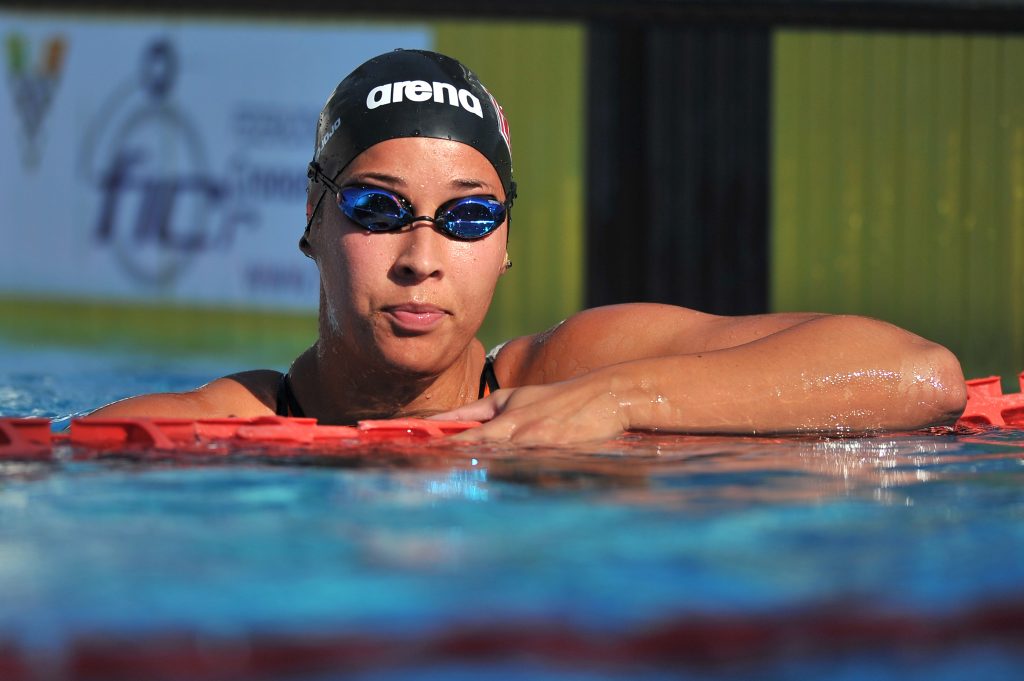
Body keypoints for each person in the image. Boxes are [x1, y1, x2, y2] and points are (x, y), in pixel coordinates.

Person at [90, 49, 967, 444]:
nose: (422, 256)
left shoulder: (567, 375)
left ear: (506, 240)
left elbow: (920, 375)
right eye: (379, 208)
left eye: (469, 217)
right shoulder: (236, 426)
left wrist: (618, 400)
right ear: (315, 218)